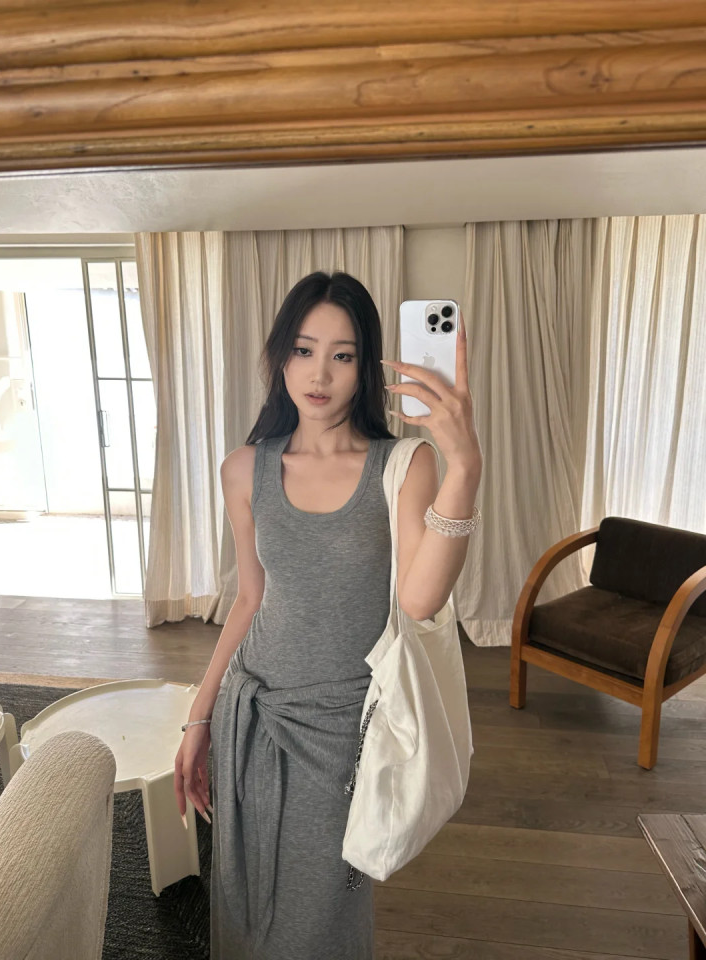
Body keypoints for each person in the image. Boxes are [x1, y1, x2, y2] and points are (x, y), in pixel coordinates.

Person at [174, 270, 483, 959]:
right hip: (250, 713)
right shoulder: (244, 469)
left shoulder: (402, 465)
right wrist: (200, 716)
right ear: (280, 355)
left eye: (342, 355)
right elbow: (249, 598)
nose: (319, 374)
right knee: (242, 902)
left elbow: (420, 600)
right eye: (303, 349)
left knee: (320, 920)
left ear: (365, 366)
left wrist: (464, 468)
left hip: (344, 729)